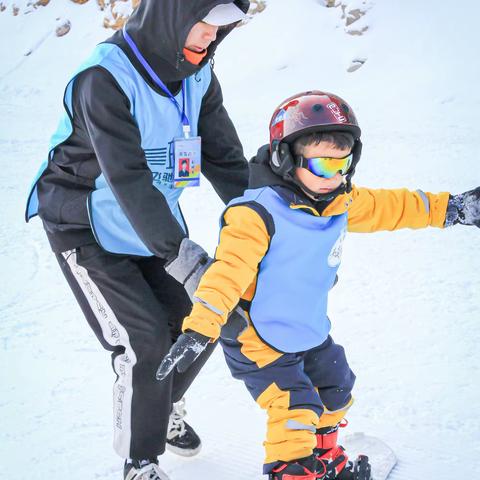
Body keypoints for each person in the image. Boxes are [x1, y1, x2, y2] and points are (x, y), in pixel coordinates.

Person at [157, 91, 480, 479]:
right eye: (324, 164)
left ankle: (324, 459)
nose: (337, 176)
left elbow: (394, 207)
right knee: (294, 407)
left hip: (305, 328)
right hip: (255, 337)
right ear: (285, 158)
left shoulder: (338, 201)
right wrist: (199, 329)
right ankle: (291, 470)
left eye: (343, 163)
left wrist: (453, 209)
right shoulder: (254, 214)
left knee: (336, 385)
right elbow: (226, 274)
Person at [25, 1, 251, 479]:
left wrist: (269, 220)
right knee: (144, 341)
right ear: (172, 16)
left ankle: (157, 405)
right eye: (203, 25)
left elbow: (227, 160)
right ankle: (139, 461)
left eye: (219, 30)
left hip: (152, 221)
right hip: (84, 224)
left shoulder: (198, 75)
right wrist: (182, 257)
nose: (209, 39)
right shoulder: (104, 78)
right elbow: (127, 178)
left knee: (207, 313)